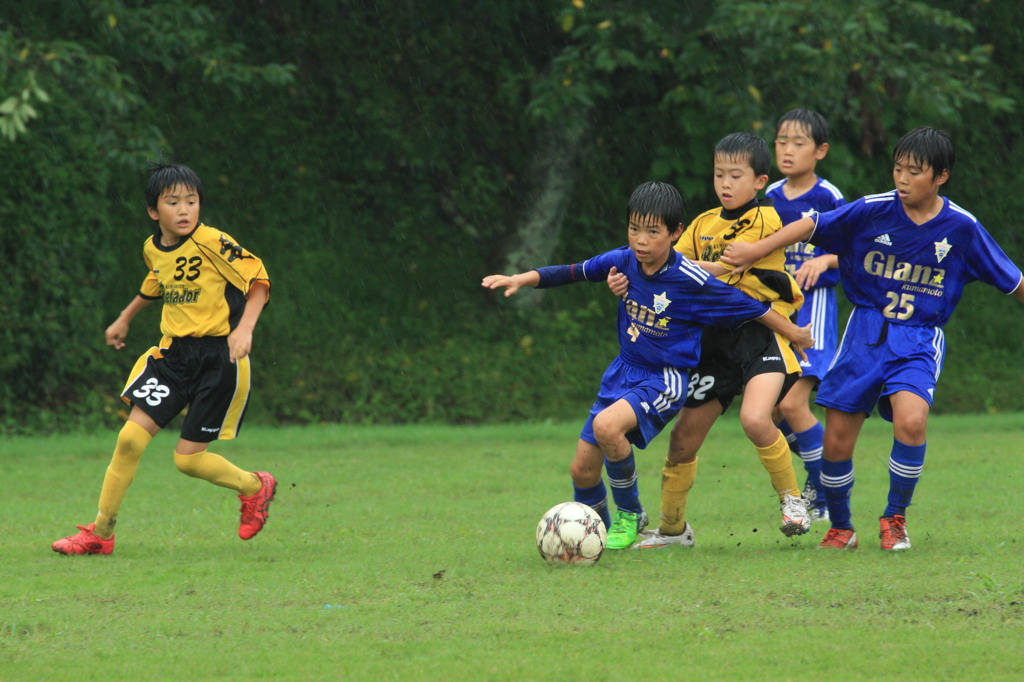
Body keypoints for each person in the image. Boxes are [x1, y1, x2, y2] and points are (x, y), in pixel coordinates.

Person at [721, 126, 1024, 550]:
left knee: (912, 420)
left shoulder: (962, 228)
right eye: (898, 168)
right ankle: (842, 527)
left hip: (918, 338)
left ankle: (894, 517)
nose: (902, 179)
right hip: (864, 334)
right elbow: (811, 226)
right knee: (837, 439)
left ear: (941, 176)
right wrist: (755, 251)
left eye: (914, 171)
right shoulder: (871, 210)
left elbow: (1013, 280)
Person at [483, 182, 813, 550]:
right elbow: (573, 271)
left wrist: (795, 334)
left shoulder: (691, 280)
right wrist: (522, 279)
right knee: (582, 468)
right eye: (634, 228)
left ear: (675, 234)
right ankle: (596, 538)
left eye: (652, 232)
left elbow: (751, 307)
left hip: (665, 378)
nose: (641, 240)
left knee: (608, 427)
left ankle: (631, 514)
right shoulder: (623, 262)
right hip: (623, 371)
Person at [52, 163, 277, 555]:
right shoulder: (152, 247)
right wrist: (125, 317)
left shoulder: (213, 241)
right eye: (173, 202)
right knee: (128, 441)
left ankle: (256, 487)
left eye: (191, 201)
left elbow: (258, 281)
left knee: (188, 462)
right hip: (173, 356)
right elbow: (157, 281)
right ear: (154, 212)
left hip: (219, 357)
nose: (185, 209)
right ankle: (100, 534)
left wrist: (245, 330)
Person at [610, 133, 814, 549]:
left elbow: (699, 268)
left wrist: (684, 267)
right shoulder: (702, 223)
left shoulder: (765, 220)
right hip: (714, 342)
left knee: (756, 419)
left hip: (760, 333)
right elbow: (671, 263)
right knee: (683, 438)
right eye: (720, 173)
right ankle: (672, 530)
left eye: (735, 175)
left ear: (758, 181)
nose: (725, 182)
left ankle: (793, 501)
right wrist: (633, 274)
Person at [766, 109, 847, 521]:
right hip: (776, 316)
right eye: (782, 141)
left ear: (820, 151)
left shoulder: (829, 197)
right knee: (771, 414)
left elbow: (856, 248)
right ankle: (829, 469)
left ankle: (826, 492)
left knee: (795, 406)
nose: (787, 150)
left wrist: (826, 260)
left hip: (813, 314)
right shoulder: (769, 197)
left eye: (798, 143)